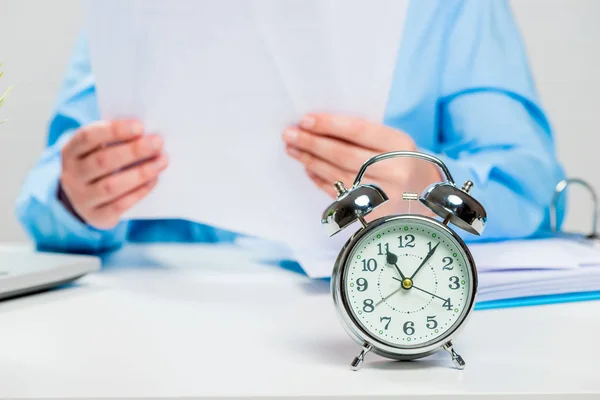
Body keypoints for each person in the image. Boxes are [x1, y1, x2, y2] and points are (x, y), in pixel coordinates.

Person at [16, 0, 565, 255]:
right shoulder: (139, 11)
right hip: (162, 314)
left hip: (376, 308)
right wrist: (78, 195)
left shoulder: (452, 8)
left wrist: (424, 188)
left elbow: (528, 188)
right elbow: (51, 191)